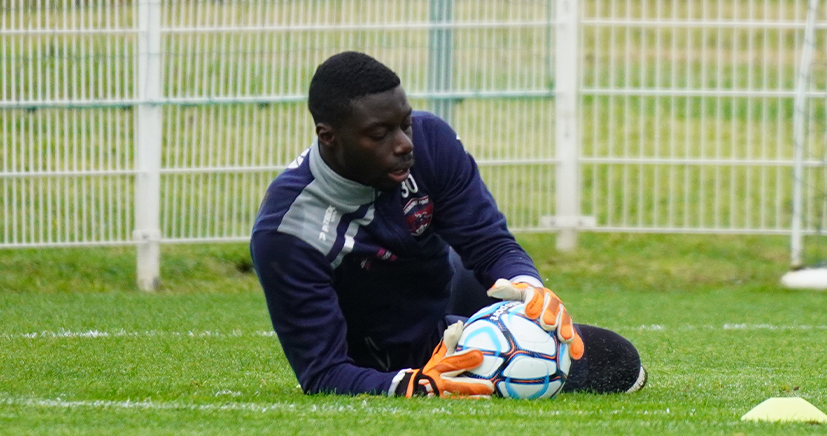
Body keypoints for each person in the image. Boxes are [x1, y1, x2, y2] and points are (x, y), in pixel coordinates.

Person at [250, 50, 646, 397]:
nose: (404, 143)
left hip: (442, 300)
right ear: (328, 137)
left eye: (404, 123)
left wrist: (528, 285)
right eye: (380, 133)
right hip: (393, 354)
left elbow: (490, 245)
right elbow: (323, 373)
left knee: (620, 360)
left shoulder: (431, 141)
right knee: (604, 366)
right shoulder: (287, 233)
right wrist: (414, 385)